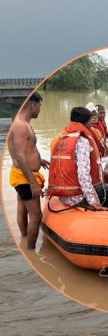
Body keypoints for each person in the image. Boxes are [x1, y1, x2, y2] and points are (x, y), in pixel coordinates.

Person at [48, 107, 108, 209]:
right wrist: (93, 202)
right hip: (78, 197)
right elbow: (83, 175)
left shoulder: (61, 137)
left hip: (64, 195)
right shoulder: (82, 141)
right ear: (87, 122)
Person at [7, 92, 49, 250]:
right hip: (25, 177)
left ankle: (24, 239)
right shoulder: (21, 125)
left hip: (22, 174)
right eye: (40, 107)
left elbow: (26, 149)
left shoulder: (21, 123)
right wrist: (33, 183)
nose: (40, 110)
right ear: (33, 105)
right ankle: (31, 251)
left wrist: (38, 160)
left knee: (22, 208)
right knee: (36, 216)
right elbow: (19, 155)